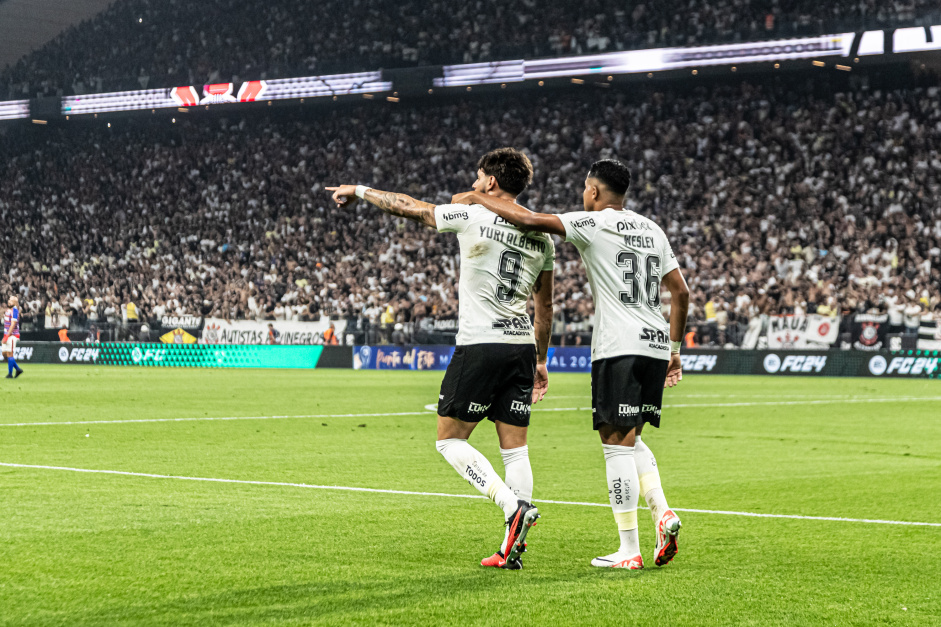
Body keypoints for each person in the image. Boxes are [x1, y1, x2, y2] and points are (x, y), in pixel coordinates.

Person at [453, 158, 690, 570]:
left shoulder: (591, 222)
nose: (583, 195)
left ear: (594, 192)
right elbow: (681, 293)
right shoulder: (653, 229)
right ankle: (662, 511)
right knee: (630, 437)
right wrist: (673, 348)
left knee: (615, 446)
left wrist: (476, 196)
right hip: (655, 344)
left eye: (585, 189)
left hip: (619, 346)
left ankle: (628, 550)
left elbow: (525, 220)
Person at [327, 147, 555, 570]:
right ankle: (513, 546)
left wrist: (359, 190)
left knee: (449, 439)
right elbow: (545, 309)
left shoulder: (474, 214)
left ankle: (512, 508)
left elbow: (414, 209)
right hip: (521, 346)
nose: (471, 184)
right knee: (516, 450)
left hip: (480, 343)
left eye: (476, 177)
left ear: (490, 182)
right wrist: (541, 361)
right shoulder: (540, 235)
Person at [3, 295, 24, 379]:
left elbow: (13, 324)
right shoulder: (9, 310)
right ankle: (18, 369)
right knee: (4, 354)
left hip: (12, 335)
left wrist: (7, 336)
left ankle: (10, 374)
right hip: (7, 334)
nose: (8, 301)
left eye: (10, 300)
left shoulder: (15, 310)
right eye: (9, 299)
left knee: (9, 354)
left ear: (15, 302)